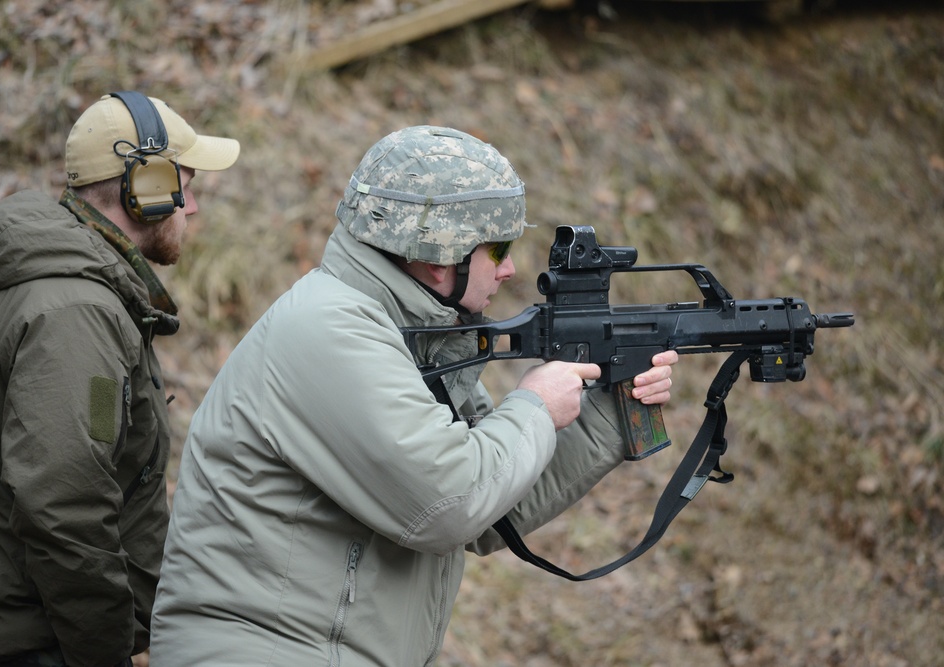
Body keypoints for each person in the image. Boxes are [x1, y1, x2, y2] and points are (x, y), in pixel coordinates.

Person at [150, 125, 677, 666]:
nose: (510, 268)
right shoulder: (330, 330)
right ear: (438, 257)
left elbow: (493, 510)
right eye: (498, 248)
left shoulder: (412, 334)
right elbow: (449, 502)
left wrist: (610, 411)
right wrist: (535, 405)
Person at [0, 92, 239, 667]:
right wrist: (104, 654)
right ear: (146, 187)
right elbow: (64, 502)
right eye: (185, 183)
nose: (193, 205)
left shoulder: (42, 282)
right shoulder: (75, 313)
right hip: (25, 643)